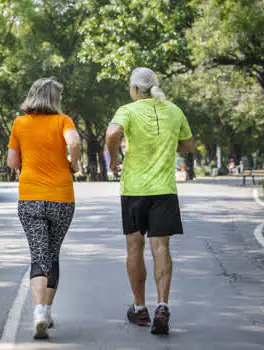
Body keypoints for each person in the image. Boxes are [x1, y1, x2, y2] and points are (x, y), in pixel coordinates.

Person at [106, 67, 195, 335]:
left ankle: (140, 308)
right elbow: (188, 145)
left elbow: (112, 134)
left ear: (134, 89)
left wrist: (113, 160)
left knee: (134, 247)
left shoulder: (128, 110)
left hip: (134, 190)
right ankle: (163, 306)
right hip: (164, 190)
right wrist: (167, 145)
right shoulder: (174, 110)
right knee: (161, 247)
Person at [7, 78, 81, 339]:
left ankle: (39, 311)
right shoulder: (63, 121)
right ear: (55, 99)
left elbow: (12, 162)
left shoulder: (20, 123)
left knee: (39, 253)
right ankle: (46, 311)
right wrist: (75, 163)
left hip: (30, 198)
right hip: (61, 198)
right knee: (53, 252)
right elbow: (73, 143)